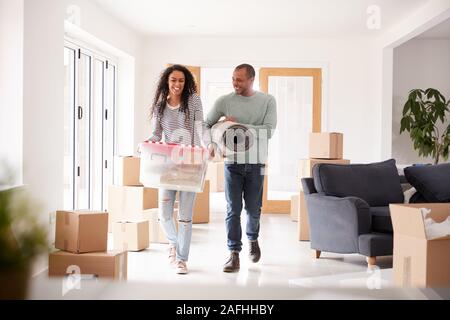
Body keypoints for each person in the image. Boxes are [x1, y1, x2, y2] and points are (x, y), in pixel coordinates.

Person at [205, 64, 277, 272]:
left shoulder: (267, 101)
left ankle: (253, 240)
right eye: (233, 79)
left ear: (251, 79)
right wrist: (217, 134)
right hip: (232, 163)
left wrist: (237, 127)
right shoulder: (224, 101)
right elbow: (207, 125)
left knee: (253, 210)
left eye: (240, 80)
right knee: (233, 209)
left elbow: (268, 131)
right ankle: (233, 253)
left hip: (256, 164)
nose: (235, 83)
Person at [147, 64, 204, 274]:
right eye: (173, 80)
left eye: (181, 80)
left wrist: (208, 146)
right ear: (167, 82)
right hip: (168, 165)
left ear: (186, 82)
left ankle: (181, 259)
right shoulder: (160, 106)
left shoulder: (194, 101)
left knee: (186, 217)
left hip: (190, 164)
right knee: (164, 214)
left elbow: (200, 127)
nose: (177, 84)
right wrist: (146, 142)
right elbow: (156, 134)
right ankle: (173, 243)